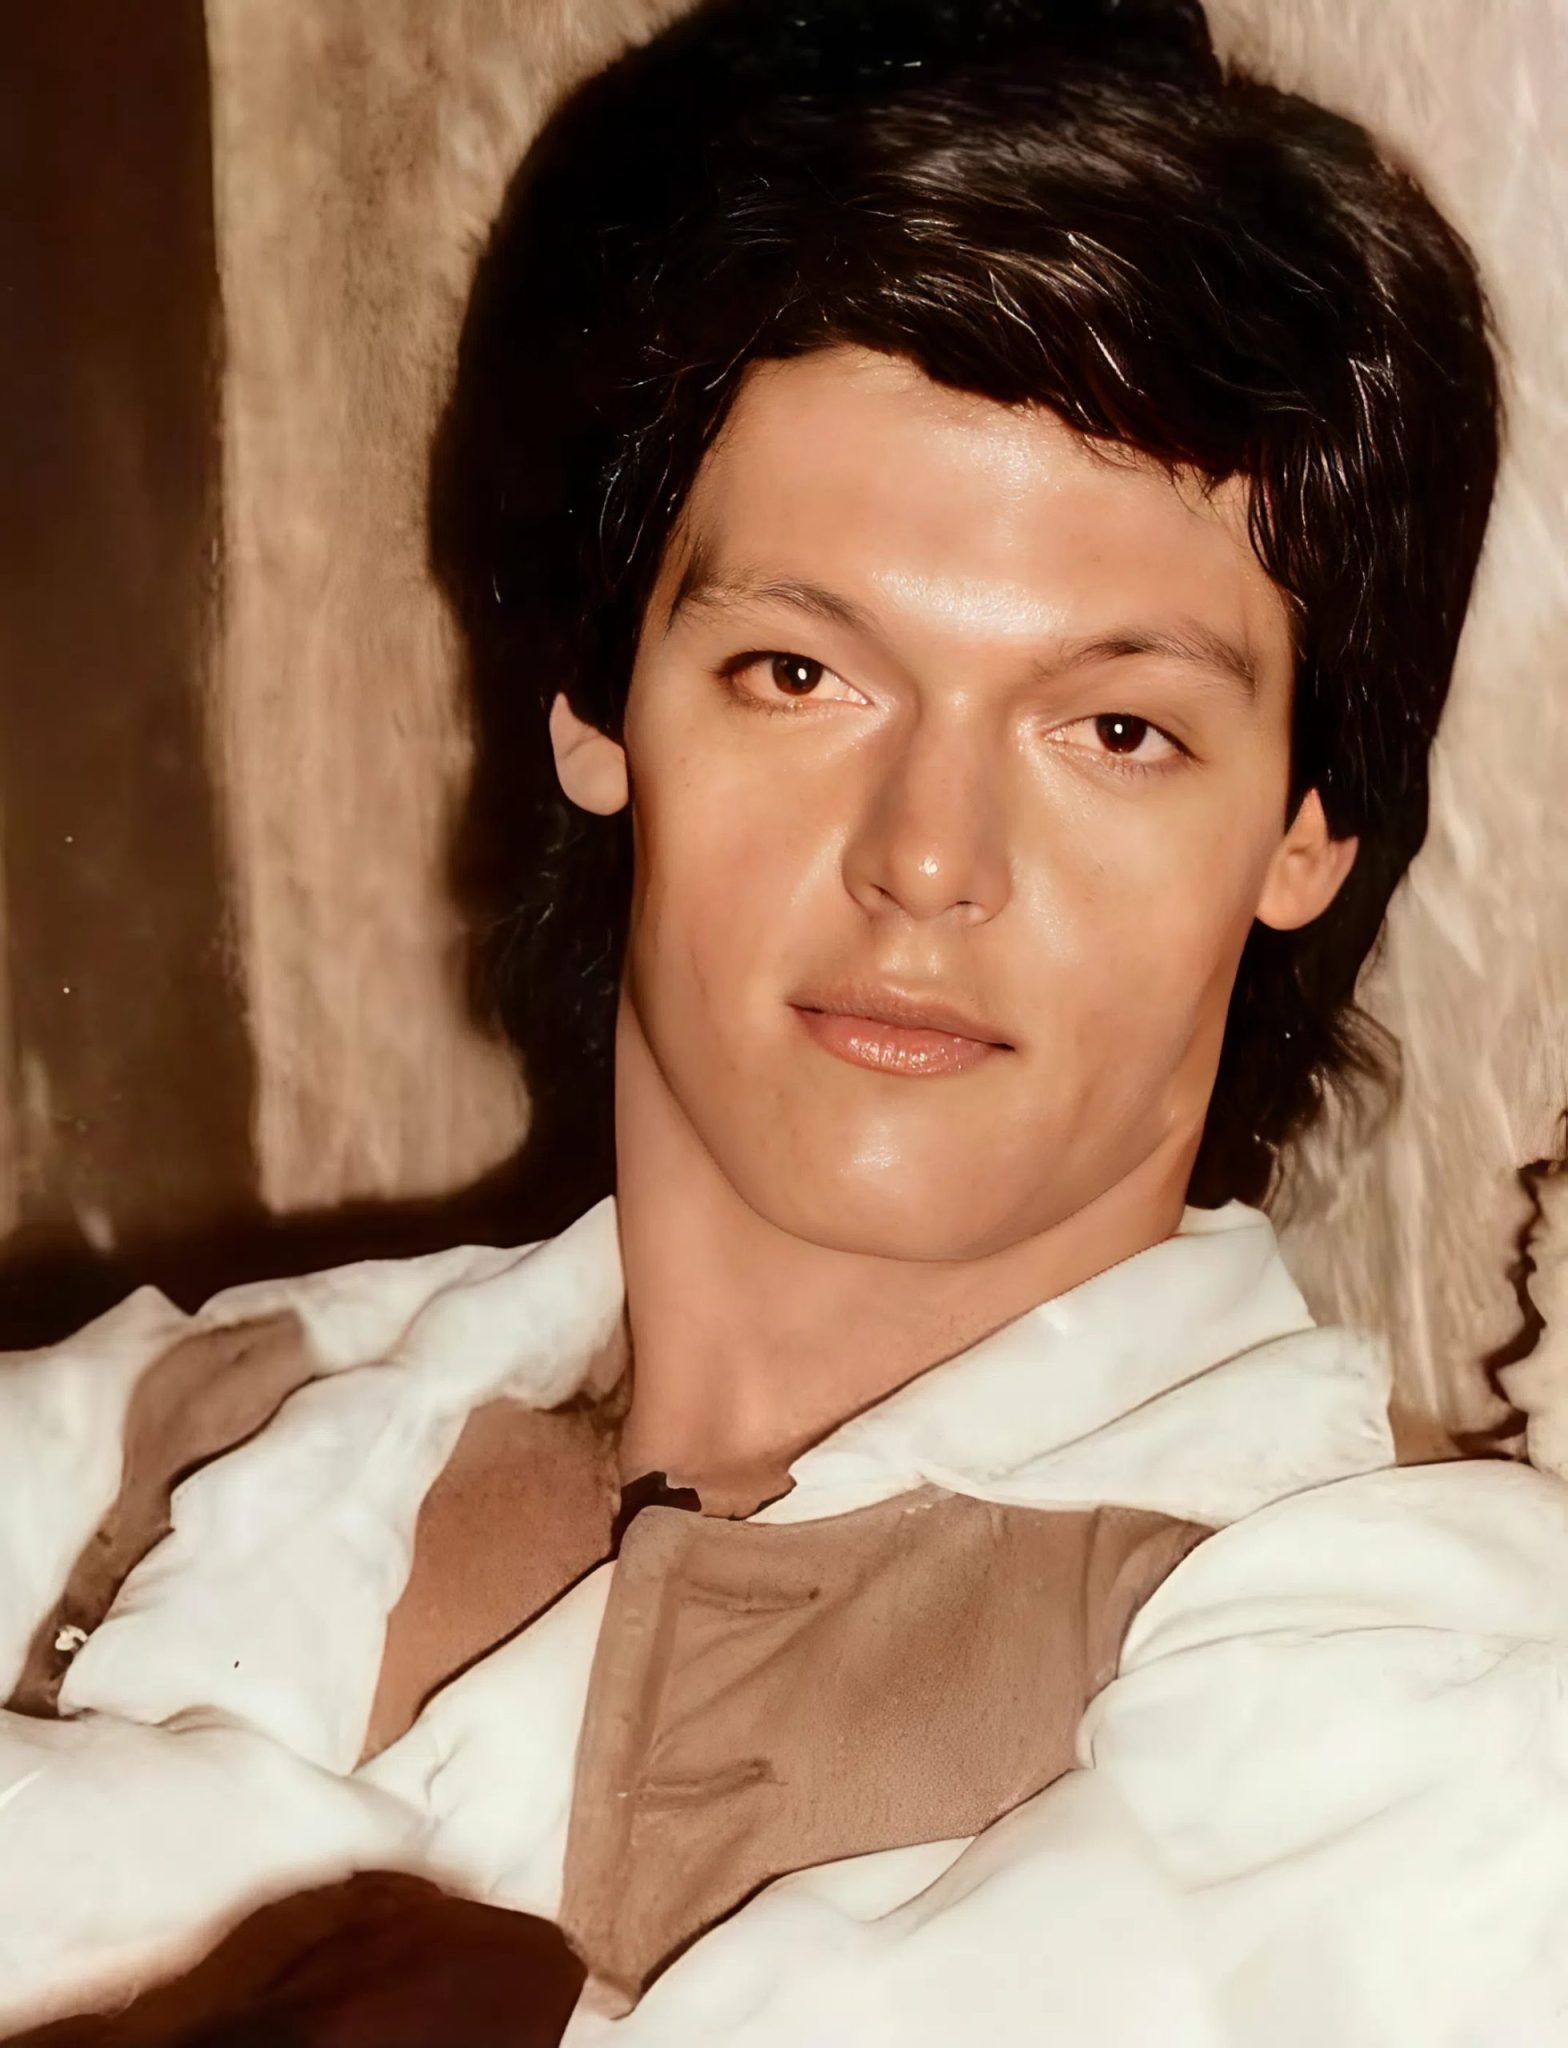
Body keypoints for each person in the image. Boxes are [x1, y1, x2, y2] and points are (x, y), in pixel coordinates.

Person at [4, 1, 1566, 2042]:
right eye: (800, 674)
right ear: (598, 706)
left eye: (1117, 727)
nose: (929, 859)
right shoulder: (179, 1416)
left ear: (1304, 831)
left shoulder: (1416, 1679)